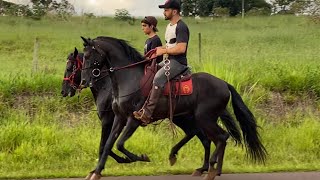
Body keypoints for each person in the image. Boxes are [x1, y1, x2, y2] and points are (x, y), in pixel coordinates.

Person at [133, 0, 190, 124]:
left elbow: (181, 48)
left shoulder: (181, 26)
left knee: (158, 78)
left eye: (166, 10)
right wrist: (161, 49)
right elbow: (171, 45)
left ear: (174, 11)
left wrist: (163, 51)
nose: (164, 12)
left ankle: (147, 114)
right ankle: (143, 106)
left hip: (178, 63)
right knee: (150, 73)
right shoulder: (170, 26)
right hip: (169, 61)